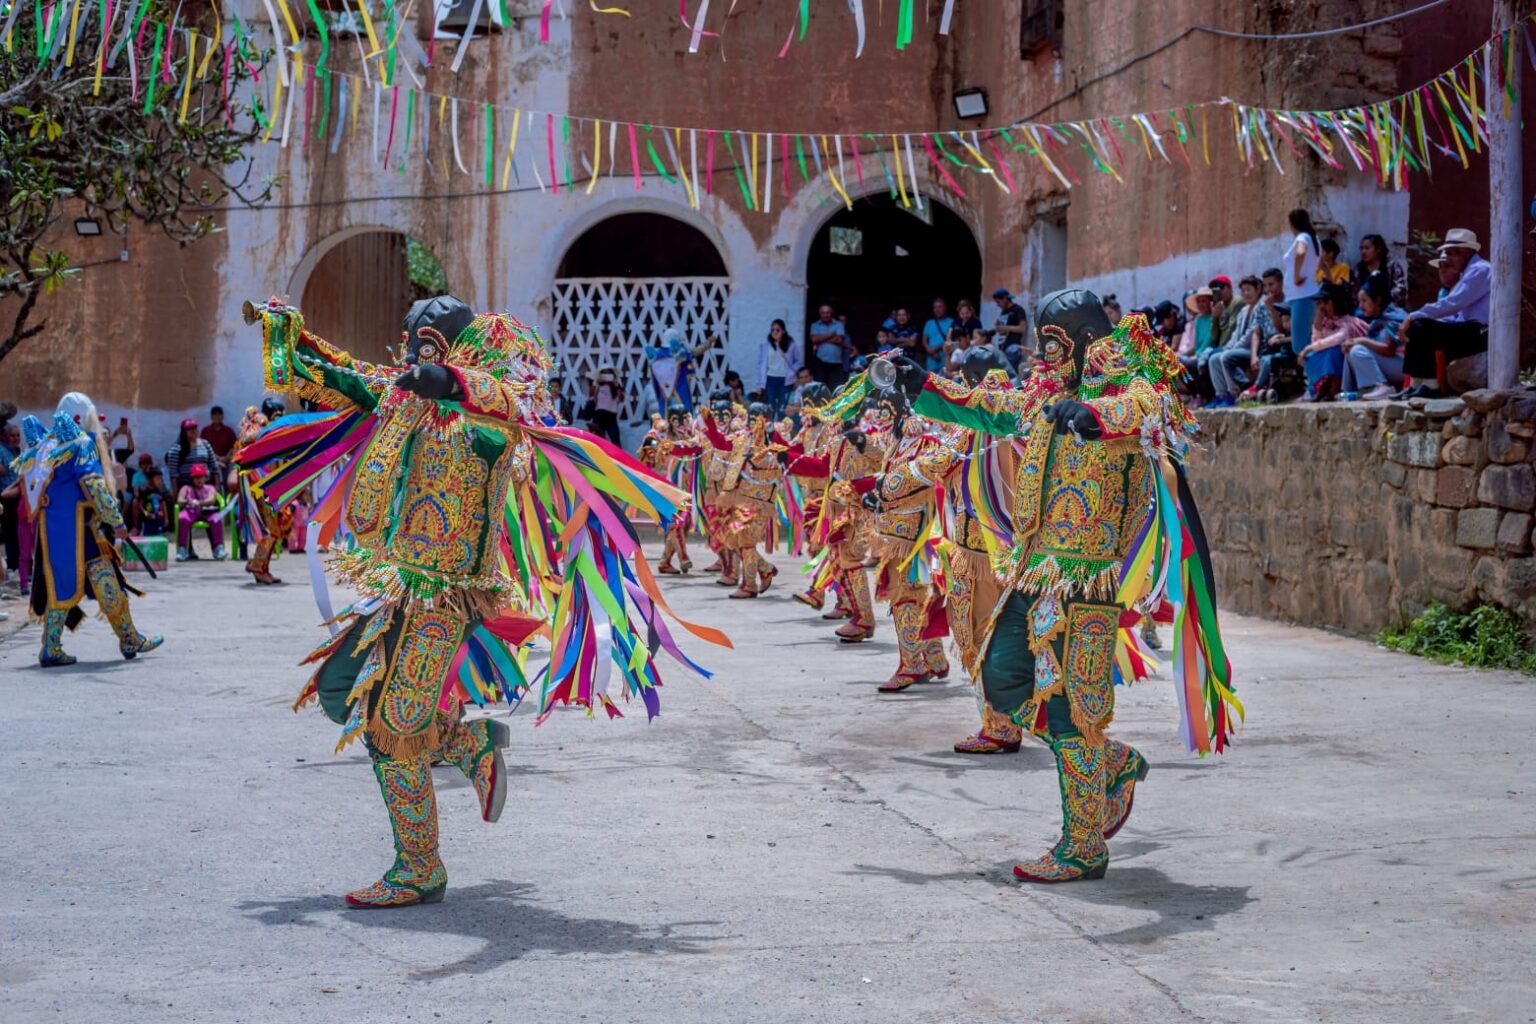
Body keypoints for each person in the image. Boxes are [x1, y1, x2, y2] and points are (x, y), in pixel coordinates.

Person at [241, 294, 724, 908]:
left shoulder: (494, 409)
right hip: (403, 590)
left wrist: (437, 377)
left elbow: (478, 393)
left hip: (448, 600)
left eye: (421, 342)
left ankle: (420, 868)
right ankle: (473, 747)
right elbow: (343, 376)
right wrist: (291, 330)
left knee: (393, 730)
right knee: (356, 700)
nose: (412, 353)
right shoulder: (408, 399)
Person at [887, 291, 1237, 883]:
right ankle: (1114, 764)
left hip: (1087, 580)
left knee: (1072, 709)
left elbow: (1150, 409)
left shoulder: (1125, 385)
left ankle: (1083, 847)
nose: (1046, 356)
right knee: (1001, 679)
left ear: (1078, 337)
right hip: (1033, 570)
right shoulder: (1044, 395)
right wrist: (922, 381)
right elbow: (985, 406)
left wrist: (1098, 418)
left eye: (1054, 342)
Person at [25, 394, 163, 667]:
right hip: (83, 532)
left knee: (60, 586)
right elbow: (94, 486)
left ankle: (51, 647)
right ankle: (129, 638)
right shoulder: (81, 444)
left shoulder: (47, 444)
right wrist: (117, 521)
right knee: (107, 580)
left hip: (55, 532)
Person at [1396, 228, 1490, 399]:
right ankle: (1415, 384)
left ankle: (1431, 385)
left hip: (1481, 332)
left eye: (1453, 254)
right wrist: (1416, 318)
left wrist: (1413, 316)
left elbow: (1453, 303)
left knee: (1420, 323)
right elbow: (1454, 314)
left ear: (1468, 252)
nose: (1449, 259)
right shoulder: (1467, 273)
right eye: (1447, 254)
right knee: (1418, 325)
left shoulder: (1480, 269)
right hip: (1468, 329)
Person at [1298, 281, 1366, 401]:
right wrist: (1317, 326)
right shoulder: (1325, 322)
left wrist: (1309, 348)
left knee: (1334, 352)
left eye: (1324, 302)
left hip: (1355, 367)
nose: (1320, 308)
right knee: (1313, 355)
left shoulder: (1349, 322)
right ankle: (1321, 389)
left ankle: (1334, 389)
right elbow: (1318, 342)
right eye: (1318, 304)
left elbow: (1339, 339)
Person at [1208, 276, 1270, 407]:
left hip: (1255, 349)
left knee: (1226, 357)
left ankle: (1234, 393)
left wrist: (1232, 349)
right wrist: (1228, 347)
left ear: (1258, 289)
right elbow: (1236, 334)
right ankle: (1221, 395)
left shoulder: (1261, 306)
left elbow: (1251, 335)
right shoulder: (1244, 311)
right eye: (1243, 291)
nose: (1246, 294)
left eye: (1249, 290)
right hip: (1240, 349)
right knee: (1214, 358)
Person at [1342, 278, 1407, 400]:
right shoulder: (1376, 322)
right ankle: (1350, 391)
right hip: (1392, 364)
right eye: (1359, 302)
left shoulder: (1392, 316)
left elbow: (1389, 350)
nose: (1360, 306)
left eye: (1364, 301)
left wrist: (1362, 341)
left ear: (1377, 300)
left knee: (1357, 350)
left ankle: (1381, 387)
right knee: (1350, 350)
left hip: (1404, 366)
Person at [1285, 209, 1323, 376]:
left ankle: (1314, 382)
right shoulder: (1315, 239)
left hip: (1303, 295)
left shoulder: (1302, 238)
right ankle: (1314, 382)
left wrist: (1296, 275)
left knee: (1300, 344)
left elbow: (1300, 252)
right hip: (1307, 294)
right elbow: (1321, 264)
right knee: (1307, 340)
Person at [176, 463, 227, 561]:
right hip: (190, 511)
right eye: (196, 477)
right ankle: (182, 549)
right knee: (182, 518)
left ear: (205, 477)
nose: (199, 479)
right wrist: (187, 501)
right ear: (192, 478)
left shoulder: (210, 488)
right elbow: (179, 500)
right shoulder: (186, 488)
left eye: (201, 477)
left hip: (206, 512)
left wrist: (199, 503)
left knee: (216, 518)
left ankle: (218, 548)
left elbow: (211, 500)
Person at [756, 319, 803, 420]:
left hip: (784, 380)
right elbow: (760, 364)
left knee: (783, 407)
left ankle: (783, 430)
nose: (774, 332)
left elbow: (798, 361)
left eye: (778, 330)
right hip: (770, 378)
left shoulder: (791, 344)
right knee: (770, 407)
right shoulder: (765, 344)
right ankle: (770, 430)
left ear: (783, 331)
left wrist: (792, 373)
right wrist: (760, 384)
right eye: (772, 330)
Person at [1177, 287, 1216, 402]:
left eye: (1204, 301)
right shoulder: (1198, 320)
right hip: (1198, 353)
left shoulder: (1213, 317)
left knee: (1192, 364)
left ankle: (1205, 394)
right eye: (1199, 301)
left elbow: (1211, 339)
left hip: (1209, 351)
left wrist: (1197, 355)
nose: (1201, 304)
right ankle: (1194, 393)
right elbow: (1197, 343)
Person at [164, 418, 219, 491]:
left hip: (206, 485)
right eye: (190, 429)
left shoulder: (205, 444)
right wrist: (175, 491)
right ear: (184, 432)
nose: (193, 431)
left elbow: (214, 466)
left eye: (195, 428)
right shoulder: (176, 448)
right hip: (186, 487)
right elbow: (173, 474)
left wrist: (217, 485)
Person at [1354, 233, 1407, 307]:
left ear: (1378, 249)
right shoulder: (1359, 268)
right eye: (1361, 248)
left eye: (1367, 248)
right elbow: (1355, 290)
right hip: (1364, 308)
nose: (1363, 252)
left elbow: (1401, 288)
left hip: (1389, 307)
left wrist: (1383, 298)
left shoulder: (1391, 265)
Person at [808, 305, 853, 386]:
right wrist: (830, 335)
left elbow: (839, 340)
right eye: (823, 313)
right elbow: (814, 339)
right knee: (820, 388)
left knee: (835, 388)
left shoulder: (839, 324)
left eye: (828, 313)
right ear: (820, 314)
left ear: (831, 313)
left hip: (836, 363)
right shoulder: (815, 325)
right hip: (820, 362)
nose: (826, 315)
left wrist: (821, 338)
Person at [590, 367, 624, 445]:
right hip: (599, 415)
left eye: (609, 373)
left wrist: (616, 385)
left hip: (611, 416)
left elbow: (622, 399)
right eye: (604, 373)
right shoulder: (598, 385)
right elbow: (591, 395)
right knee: (597, 442)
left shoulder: (616, 385)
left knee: (616, 441)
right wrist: (596, 382)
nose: (606, 375)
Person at [134, 468, 170, 537]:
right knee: (147, 537)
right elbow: (140, 504)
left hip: (159, 519)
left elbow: (163, 504)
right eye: (157, 478)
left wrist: (166, 518)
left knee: (158, 537)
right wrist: (145, 512)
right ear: (151, 479)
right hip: (147, 520)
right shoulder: (144, 490)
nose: (160, 481)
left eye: (161, 479)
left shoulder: (160, 491)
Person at [1208, 276, 1241, 349]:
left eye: (1221, 287)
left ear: (1230, 288)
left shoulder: (1237, 302)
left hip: (1228, 347)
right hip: (1208, 350)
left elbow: (1232, 330)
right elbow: (1214, 337)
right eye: (1214, 290)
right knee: (1177, 358)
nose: (1219, 292)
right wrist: (1215, 317)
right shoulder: (1198, 320)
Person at [922, 298, 954, 372]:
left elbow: (950, 339)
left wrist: (934, 349)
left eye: (940, 307)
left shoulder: (951, 322)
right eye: (935, 307)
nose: (937, 309)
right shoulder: (929, 323)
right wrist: (931, 352)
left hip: (945, 357)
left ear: (945, 308)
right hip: (931, 359)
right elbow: (924, 340)